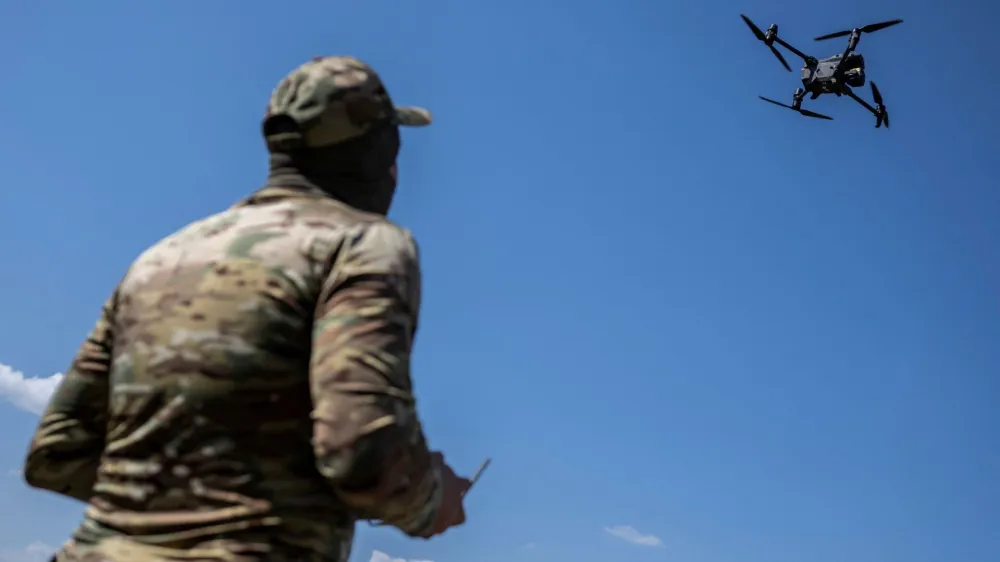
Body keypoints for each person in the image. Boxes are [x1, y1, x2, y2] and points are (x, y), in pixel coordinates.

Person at [22, 55, 471, 562]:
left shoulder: (162, 256)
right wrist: (432, 499)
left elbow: (57, 452)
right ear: (380, 149)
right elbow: (361, 453)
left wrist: (178, 506)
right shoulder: (364, 244)